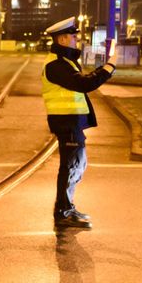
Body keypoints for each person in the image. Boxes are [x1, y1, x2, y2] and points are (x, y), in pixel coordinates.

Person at [42, 16, 115, 230]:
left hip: (70, 121)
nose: (76, 41)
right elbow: (84, 84)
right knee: (72, 166)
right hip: (66, 122)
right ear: (63, 39)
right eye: (74, 37)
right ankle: (63, 213)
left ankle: (67, 208)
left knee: (77, 165)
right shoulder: (56, 65)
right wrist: (109, 67)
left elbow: (81, 83)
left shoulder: (64, 62)